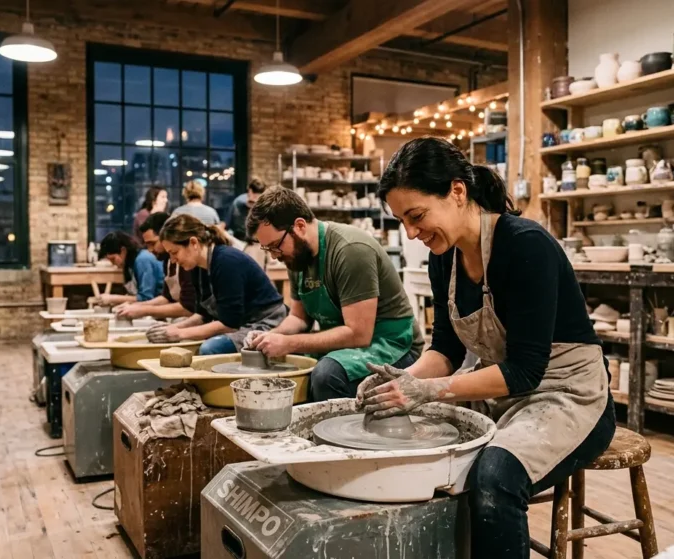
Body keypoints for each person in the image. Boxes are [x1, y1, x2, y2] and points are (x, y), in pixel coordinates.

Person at [358, 137, 615, 559]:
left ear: (457, 191)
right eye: (403, 220)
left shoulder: (525, 244)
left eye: (417, 216)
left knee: (495, 475)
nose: (412, 232)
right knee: (415, 439)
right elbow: (445, 350)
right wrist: (404, 380)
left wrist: (430, 391)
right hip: (505, 393)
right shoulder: (444, 256)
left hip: (571, 395)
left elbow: (526, 370)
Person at [244, 188, 422, 401]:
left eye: (275, 247)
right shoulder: (296, 258)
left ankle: (333, 432)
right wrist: (272, 337)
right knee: (282, 362)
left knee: (326, 375)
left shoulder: (350, 250)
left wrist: (289, 343)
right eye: (268, 249)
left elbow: (359, 334)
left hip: (392, 344)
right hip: (346, 344)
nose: (274, 257)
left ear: (299, 226)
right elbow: (298, 318)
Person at [145, 214, 287, 355]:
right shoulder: (197, 267)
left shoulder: (226, 261)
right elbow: (203, 314)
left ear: (193, 243)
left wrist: (179, 334)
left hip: (267, 322)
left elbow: (229, 324)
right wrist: (172, 328)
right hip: (242, 324)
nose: (173, 260)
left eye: (174, 252)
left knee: (210, 348)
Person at [114, 212, 195, 320]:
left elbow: (188, 307)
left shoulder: (187, 262)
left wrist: (143, 310)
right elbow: (166, 298)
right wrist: (136, 306)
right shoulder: (167, 260)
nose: (150, 250)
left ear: (166, 236)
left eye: (152, 243)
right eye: (147, 245)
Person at [96, 231, 166, 304]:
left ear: (123, 251)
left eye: (113, 259)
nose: (113, 264)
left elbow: (146, 298)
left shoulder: (142, 260)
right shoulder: (130, 265)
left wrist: (113, 298)